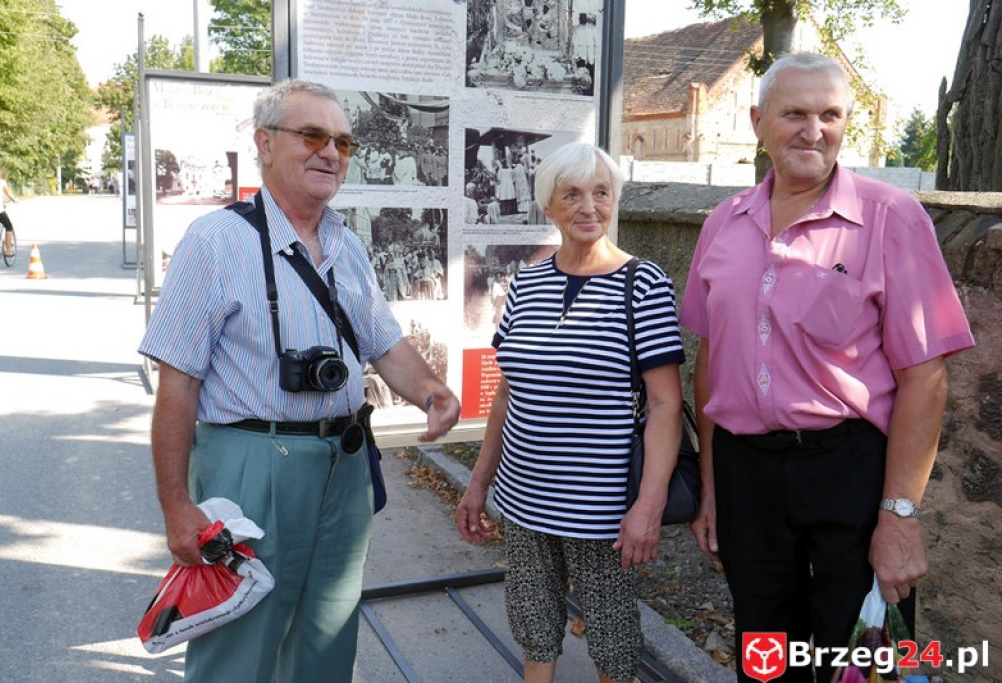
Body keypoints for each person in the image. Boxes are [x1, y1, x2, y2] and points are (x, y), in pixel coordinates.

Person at [138, 79, 461, 683]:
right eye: (312, 135)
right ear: (264, 142)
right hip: (249, 461)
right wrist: (177, 507)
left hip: (342, 463)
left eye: (343, 141)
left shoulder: (346, 242)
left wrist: (431, 391)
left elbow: (383, 341)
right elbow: (177, 385)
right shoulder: (214, 242)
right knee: (241, 639)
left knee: (328, 633)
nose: (330, 152)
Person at [679, 53, 974, 683]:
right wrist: (711, 485)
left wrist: (900, 516)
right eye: (794, 114)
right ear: (759, 122)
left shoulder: (892, 217)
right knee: (764, 651)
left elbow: (926, 376)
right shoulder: (722, 225)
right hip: (745, 473)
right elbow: (712, 361)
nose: (813, 131)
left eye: (830, 115)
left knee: (867, 660)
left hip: (850, 467)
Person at [456, 142, 685, 683]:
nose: (589, 207)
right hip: (524, 495)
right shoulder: (527, 282)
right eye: (573, 194)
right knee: (533, 623)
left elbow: (666, 403)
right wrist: (478, 484)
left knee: (612, 635)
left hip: (600, 507)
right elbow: (506, 395)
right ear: (549, 206)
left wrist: (648, 506)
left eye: (601, 193)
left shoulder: (642, 284)